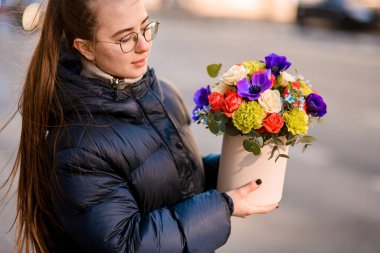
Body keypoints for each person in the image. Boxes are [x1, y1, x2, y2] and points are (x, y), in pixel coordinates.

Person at [2, 0, 278, 252]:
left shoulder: (164, 93)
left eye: (146, 28)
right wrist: (223, 206)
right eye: (125, 38)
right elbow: (127, 244)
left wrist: (237, 168)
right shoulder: (77, 145)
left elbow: (171, 184)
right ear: (84, 47)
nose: (144, 45)